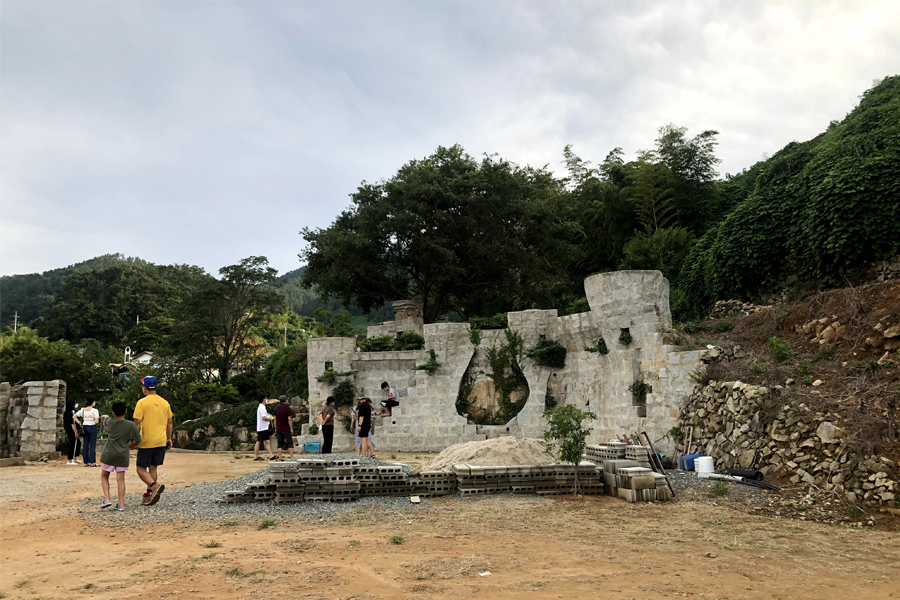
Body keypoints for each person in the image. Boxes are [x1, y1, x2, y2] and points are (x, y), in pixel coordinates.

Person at [133, 376, 174, 506]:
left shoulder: (142, 403)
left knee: (140, 469)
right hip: (161, 441)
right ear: (155, 387)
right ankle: (149, 495)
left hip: (146, 441)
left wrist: (134, 439)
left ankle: (154, 485)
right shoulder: (165, 403)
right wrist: (168, 437)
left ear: (144, 388)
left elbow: (137, 421)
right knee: (153, 467)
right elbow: (170, 422)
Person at [99, 400, 141, 511]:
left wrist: (106, 417)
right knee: (120, 479)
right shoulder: (130, 425)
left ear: (113, 412)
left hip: (109, 453)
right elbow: (138, 439)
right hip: (122, 454)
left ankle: (107, 499)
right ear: (126, 411)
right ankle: (121, 504)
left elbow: (106, 419)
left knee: (104, 476)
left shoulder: (109, 422)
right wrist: (132, 444)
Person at [74, 397, 106, 467]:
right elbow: (96, 421)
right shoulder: (95, 410)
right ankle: (92, 462)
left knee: (85, 444)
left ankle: (86, 462)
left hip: (85, 427)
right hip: (92, 427)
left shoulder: (83, 410)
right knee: (92, 445)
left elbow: (74, 416)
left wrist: (80, 423)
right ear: (92, 402)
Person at [254, 394, 276, 461]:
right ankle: (256, 456)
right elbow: (263, 417)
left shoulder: (262, 407)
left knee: (267, 441)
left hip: (264, 427)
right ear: (263, 399)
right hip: (262, 428)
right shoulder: (262, 407)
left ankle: (271, 455)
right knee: (259, 442)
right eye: (266, 398)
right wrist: (270, 419)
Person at [273, 395, 295, 460]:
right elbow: (289, 419)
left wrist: (275, 427)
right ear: (285, 400)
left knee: (280, 443)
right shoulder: (288, 409)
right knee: (290, 443)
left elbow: (275, 419)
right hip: (286, 428)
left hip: (279, 428)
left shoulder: (276, 409)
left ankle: (280, 458)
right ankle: (292, 457)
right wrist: (291, 428)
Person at [63, 399, 81, 465]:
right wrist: (76, 432)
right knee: (73, 444)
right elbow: (72, 423)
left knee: (76, 443)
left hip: (68, 430)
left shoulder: (66, 412)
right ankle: (70, 459)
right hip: (72, 430)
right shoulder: (72, 412)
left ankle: (74, 458)